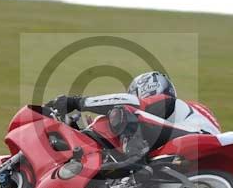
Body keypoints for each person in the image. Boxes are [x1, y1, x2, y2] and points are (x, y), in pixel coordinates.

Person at [45, 71, 221, 167]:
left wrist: (76, 101)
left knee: (122, 110)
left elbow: (130, 103)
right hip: (191, 149)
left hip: (193, 137)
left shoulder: (167, 102)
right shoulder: (180, 112)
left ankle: (135, 162)